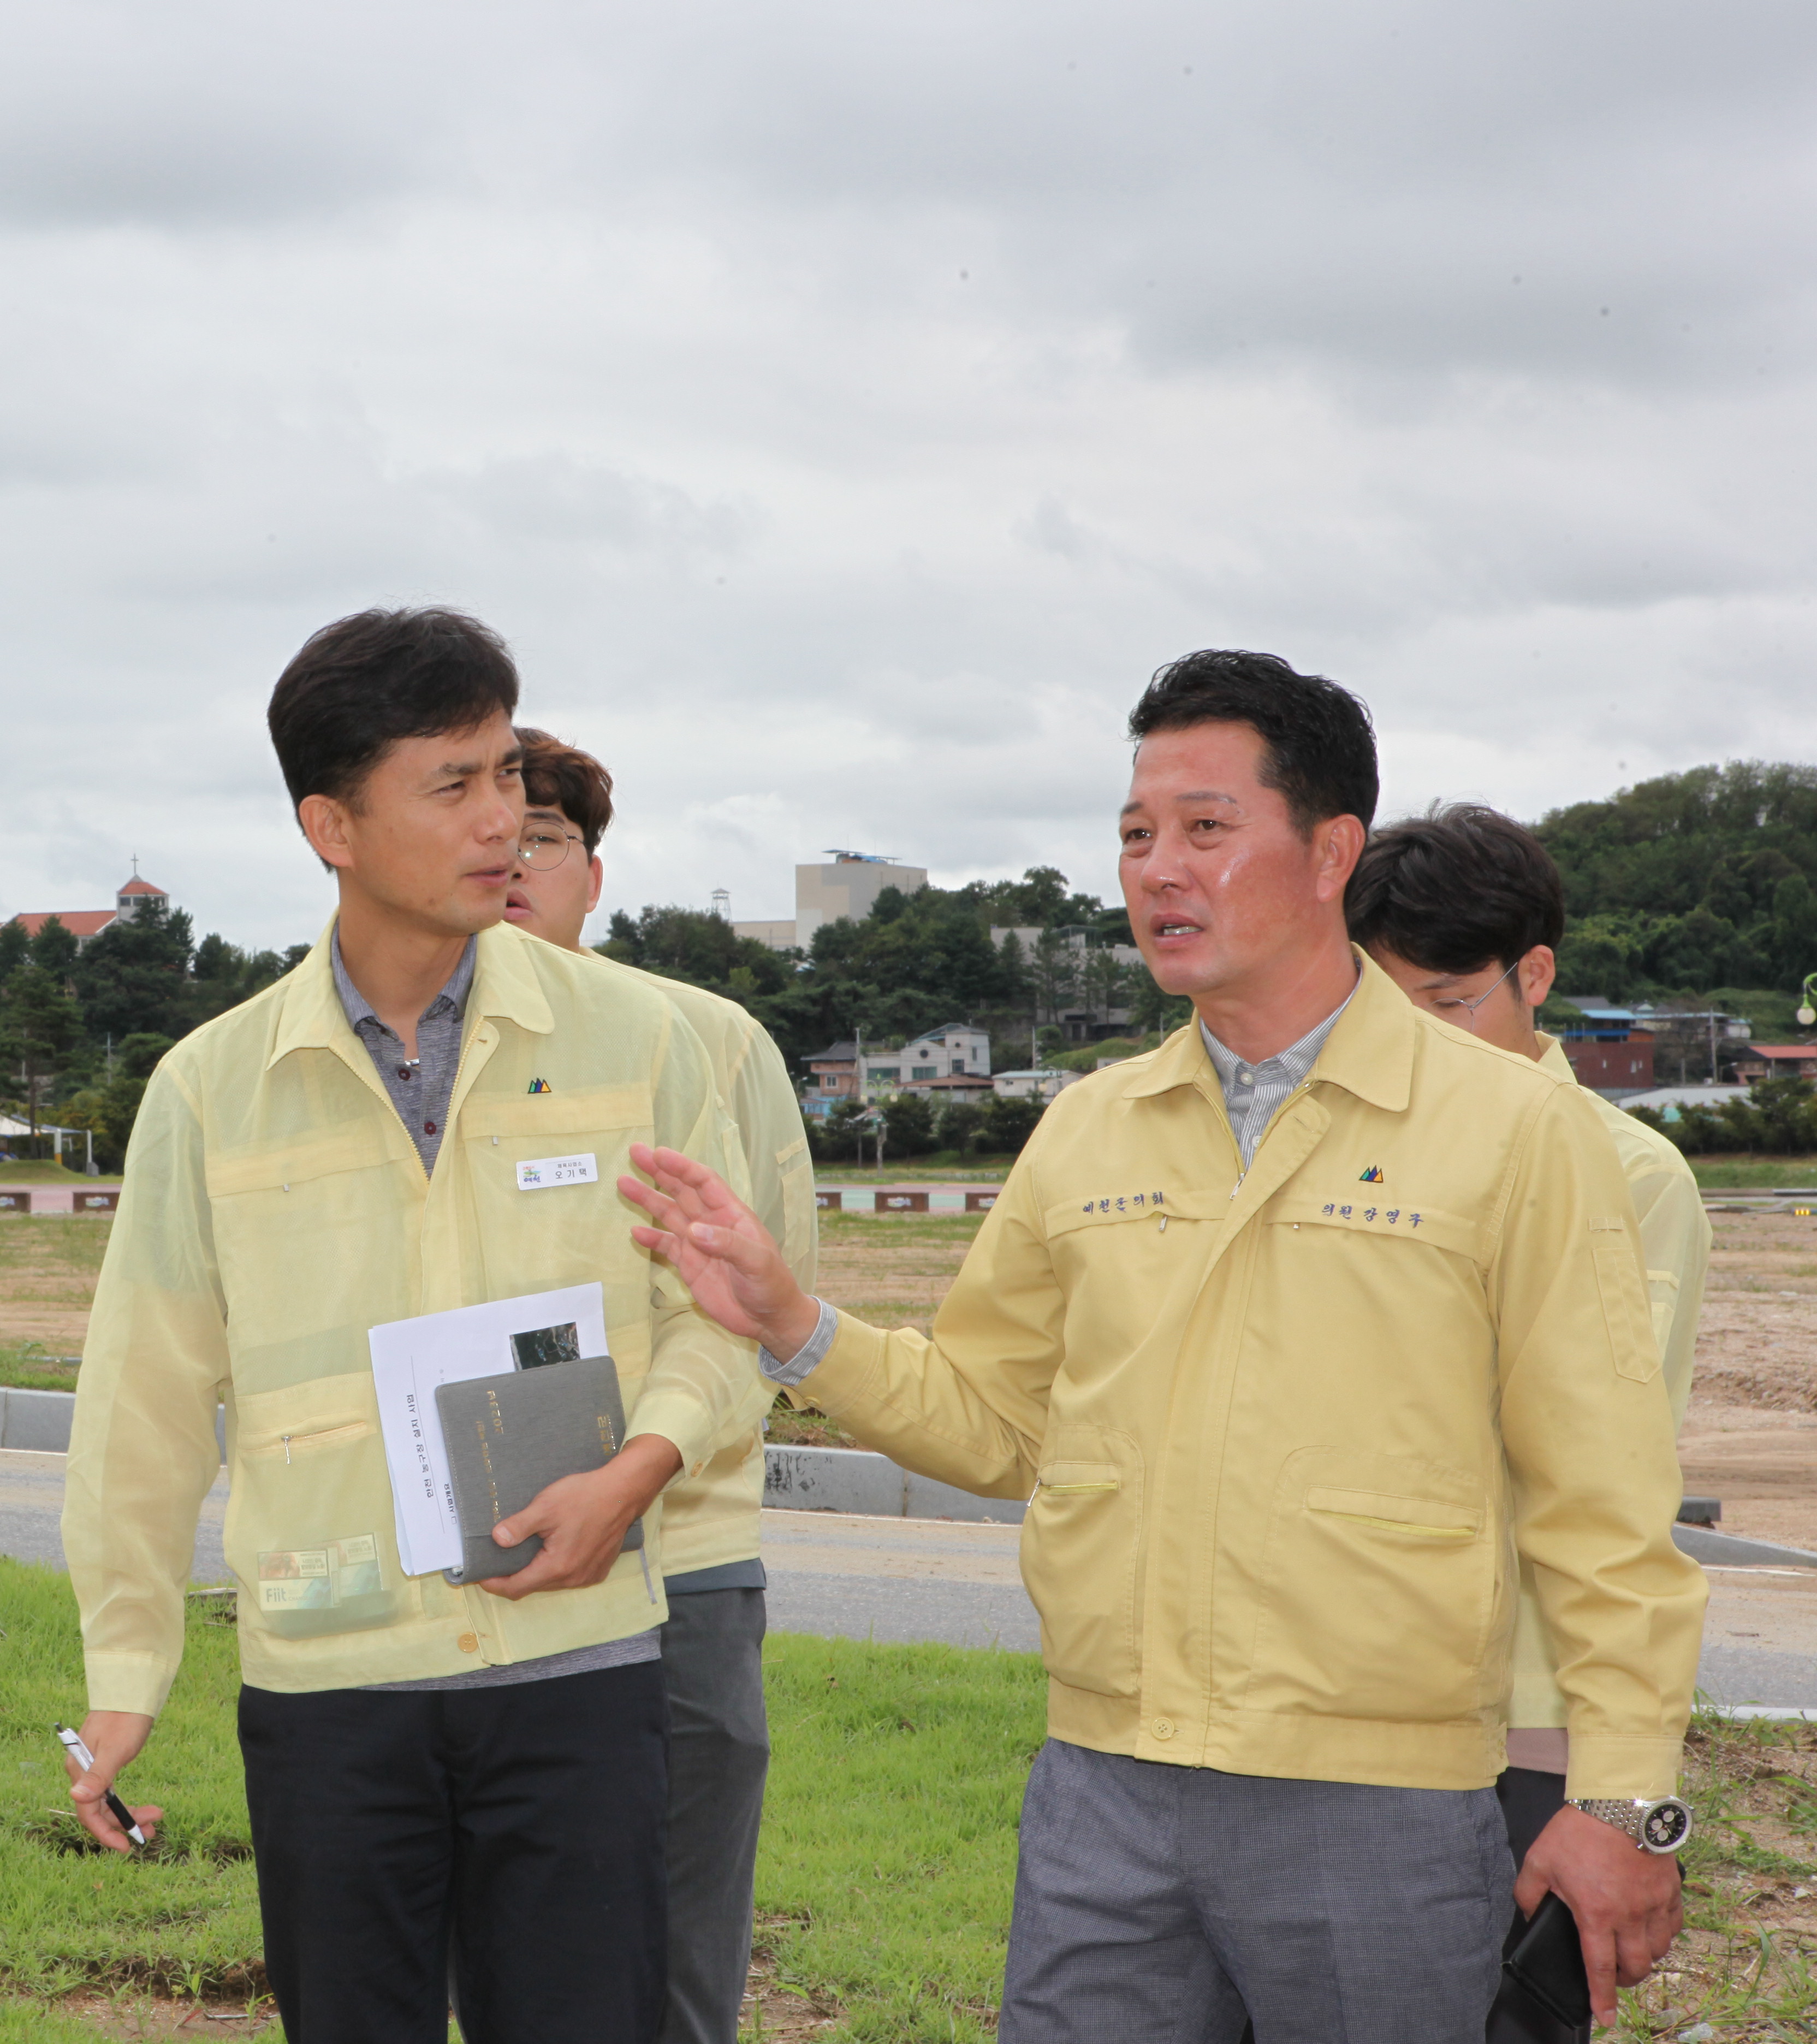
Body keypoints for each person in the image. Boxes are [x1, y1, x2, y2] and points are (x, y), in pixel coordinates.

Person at [618, 650, 1707, 2043]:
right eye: (1135, 837)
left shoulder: (1516, 1129)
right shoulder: (1091, 1126)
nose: (1157, 870)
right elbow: (997, 1422)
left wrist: (1622, 1799)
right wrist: (793, 1325)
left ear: (1330, 852)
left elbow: (1604, 1506)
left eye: (1204, 828)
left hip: (1376, 1805)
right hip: (1106, 1795)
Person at [58, 608, 763, 2043]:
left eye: (508, 774)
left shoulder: (645, 1044)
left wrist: (641, 1469)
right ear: (332, 822)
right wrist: (126, 1678)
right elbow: (143, 1399)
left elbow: (722, 1319)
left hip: (580, 1663)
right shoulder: (213, 1090)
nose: (504, 818)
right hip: (333, 1687)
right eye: (455, 785)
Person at [1346, 800, 1713, 2043]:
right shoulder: (1355, 1153)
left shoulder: (1627, 1174)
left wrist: (1609, 1795)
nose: (1422, 1049)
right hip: (1342, 1709)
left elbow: (1590, 1478)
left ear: (1535, 976)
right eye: (1387, 1014)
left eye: (1450, 1008)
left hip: (1517, 1722)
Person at [507, 726, 816, 2044]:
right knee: (505, 1941)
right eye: (484, 827)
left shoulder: (711, 1040)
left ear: (594, 873)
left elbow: (771, 1295)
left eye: (547, 839)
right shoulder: (400, 1055)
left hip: (686, 1560)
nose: (512, 860)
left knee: (683, 1945)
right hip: (483, 1562)